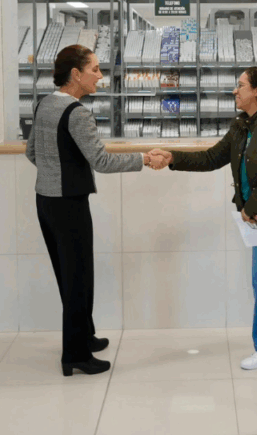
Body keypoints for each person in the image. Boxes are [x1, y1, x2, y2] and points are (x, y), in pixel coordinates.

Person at [149, 67, 257, 379]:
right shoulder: (242, 126)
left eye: (240, 85)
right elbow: (211, 158)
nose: (235, 90)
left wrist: (251, 207)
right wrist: (172, 157)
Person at [26, 44, 165, 376]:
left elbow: (32, 152)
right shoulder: (77, 112)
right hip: (69, 204)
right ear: (76, 74)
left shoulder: (43, 104)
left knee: (68, 274)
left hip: (45, 201)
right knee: (79, 278)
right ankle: (74, 355)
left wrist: (53, 172)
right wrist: (144, 159)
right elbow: (101, 161)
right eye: (96, 69)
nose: (100, 76)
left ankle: (84, 336)